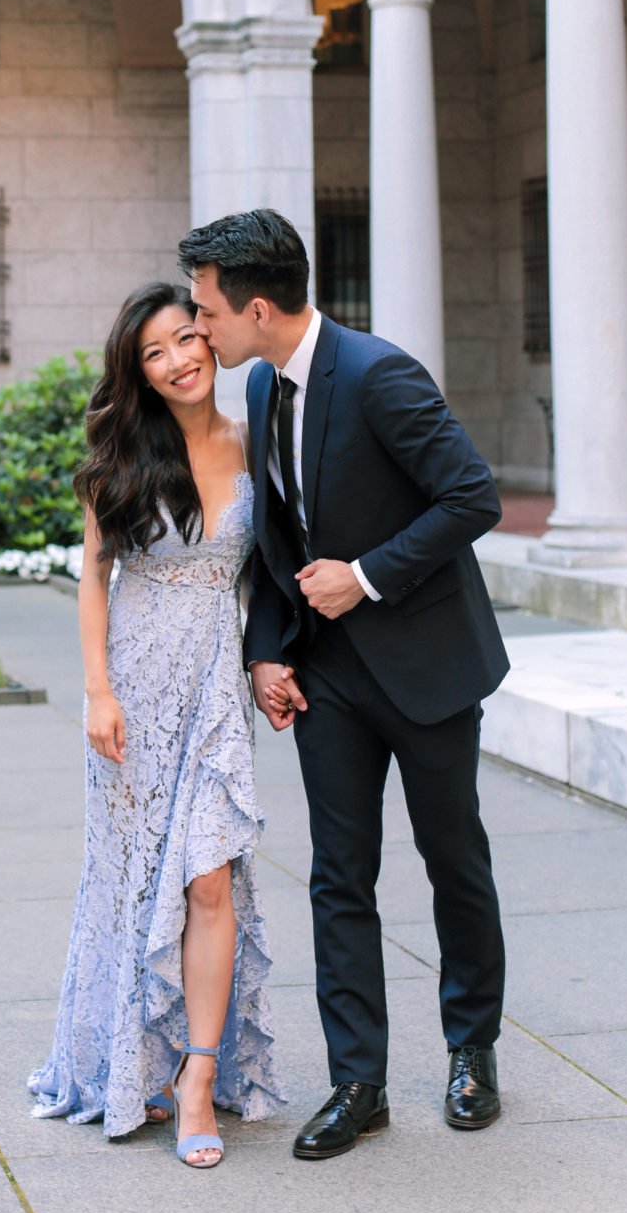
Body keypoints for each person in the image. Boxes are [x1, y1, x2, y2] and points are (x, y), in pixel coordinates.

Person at [178, 210, 509, 1162]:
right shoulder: (263, 383)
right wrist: (268, 649)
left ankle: (471, 1050)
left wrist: (363, 575)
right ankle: (358, 1081)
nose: (201, 329)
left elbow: (470, 497)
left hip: (428, 665)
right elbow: (282, 537)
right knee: (338, 878)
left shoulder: (378, 373)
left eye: (206, 311)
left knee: (455, 860)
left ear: (258, 304)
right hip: (329, 679)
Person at [27, 281, 282, 1167]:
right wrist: (97, 691)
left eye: (186, 338)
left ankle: (200, 1079)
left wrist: (269, 662)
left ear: (211, 338)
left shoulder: (256, 444)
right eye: (155, 353)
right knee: (138, 885)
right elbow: (95, 578)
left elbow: (266, 578)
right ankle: (128, 1053)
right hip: (136, 690)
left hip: (214, 687)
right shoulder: (120, 457)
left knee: (211, 879)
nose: (179, 361)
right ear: (138, 372)